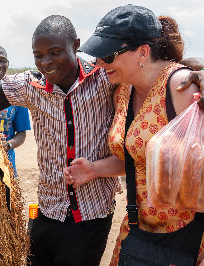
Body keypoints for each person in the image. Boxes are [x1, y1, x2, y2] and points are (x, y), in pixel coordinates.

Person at [0, 15, 123, 266]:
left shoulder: (104, 77)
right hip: (48, 211)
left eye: (54, 52)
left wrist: (197, 77)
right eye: (38, 55)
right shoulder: (30, 85)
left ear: (76, 45)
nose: (46, 62)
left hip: (91, 215)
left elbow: (153, 69)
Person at [67, 4, 204, 265]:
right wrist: (94, 169)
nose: (99, 63)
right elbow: (138, 159)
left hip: (189, 238)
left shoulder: (182, 87)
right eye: (97, 55)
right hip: (138, 232)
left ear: (142, 51)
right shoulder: (123, 92)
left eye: (108, 55)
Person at [0, 45, 31, 177]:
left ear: (7, 64)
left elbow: (21, 134)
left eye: (2, 60)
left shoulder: (17, 97)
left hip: (6, 166)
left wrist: (7, 145)